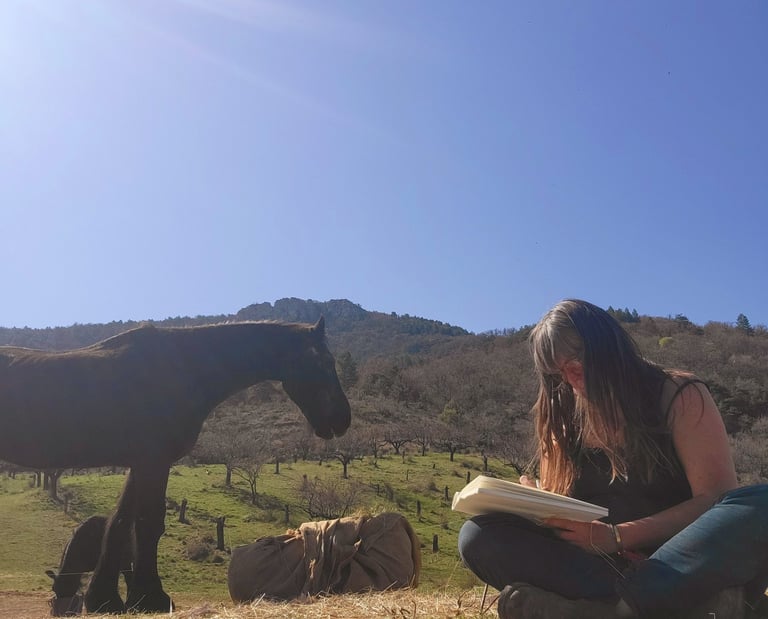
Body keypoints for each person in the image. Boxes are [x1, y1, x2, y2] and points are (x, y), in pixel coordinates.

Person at [458, 299, 768, 619]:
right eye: (556, 374)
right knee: (477, 535)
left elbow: (715, 500)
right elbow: (563, 511)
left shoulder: (677, 394)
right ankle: (640, 609)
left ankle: (616, 611)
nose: (569, 380)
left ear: (608, 351)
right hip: (603, 573)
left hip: (682, 565)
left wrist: (617, 536)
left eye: (575, 365)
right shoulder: (561, 419)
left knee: (761, 505)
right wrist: (534, 502)